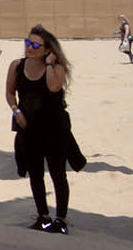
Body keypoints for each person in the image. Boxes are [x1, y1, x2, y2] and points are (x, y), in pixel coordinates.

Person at [8, 24, 85, 234]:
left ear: (47, 49)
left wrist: (50, 64)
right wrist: (16, 111)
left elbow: (53, 87)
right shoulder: (16, 66)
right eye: (27, 42)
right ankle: (43, 217)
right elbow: (9, 94)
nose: (29, 47)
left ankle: (60, 220)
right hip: (28, 129)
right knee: (35, 174)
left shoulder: (56, 68)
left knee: (58, 174)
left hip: (54, 129)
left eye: (35, 45)